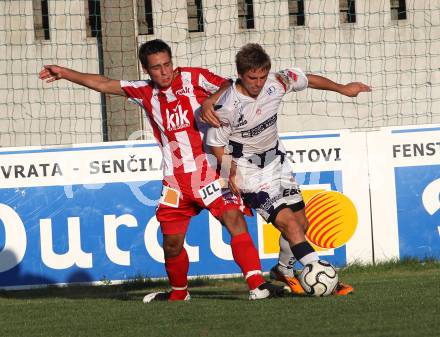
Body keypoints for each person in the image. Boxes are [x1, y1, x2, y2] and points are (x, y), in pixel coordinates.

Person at [39, 39, 284, 302]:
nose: (165, 71)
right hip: (175, 182)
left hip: (209, 170)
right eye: (157, 67)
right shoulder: (144, 91)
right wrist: (64, 73)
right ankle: (179, 294)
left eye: (167, 64)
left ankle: (257, 285)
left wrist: (210, 102)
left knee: (233, 219)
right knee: (171, 243)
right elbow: (103, 83)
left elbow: (230, 86)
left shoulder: (194, 78)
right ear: (146, 70)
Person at [204, 43, 371, 295]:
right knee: (290, 225)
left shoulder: (277, 81)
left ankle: (283, 270)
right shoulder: (227, 106)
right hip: (249, 174)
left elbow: (308, 80)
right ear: (239, 74)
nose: (258, 84)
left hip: (278, 163)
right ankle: (326, 280)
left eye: (262, 76)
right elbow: (215, 144)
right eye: (252, 78)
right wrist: (230, 173)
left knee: (301, 223)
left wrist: (342, 89)